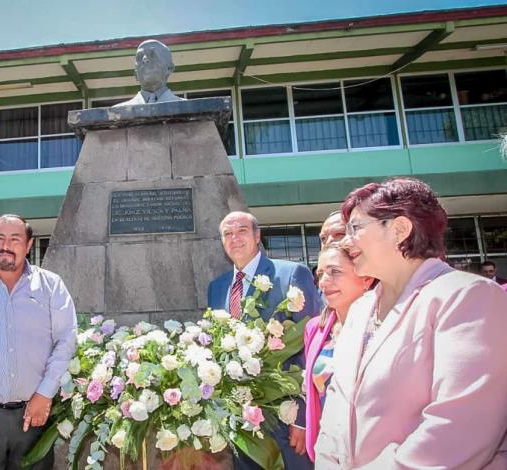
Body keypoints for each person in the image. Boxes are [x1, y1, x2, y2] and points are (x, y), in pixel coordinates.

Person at [315, 177, 507, 469]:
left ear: (399, 230)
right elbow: (335, 414)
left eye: (356, 228)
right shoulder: (360, 310)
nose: (344, 241)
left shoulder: (467, 298)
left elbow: (458, 428)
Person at [0, 214, 77, 470]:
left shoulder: (51, 286)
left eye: (15, 239)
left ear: (29, 245)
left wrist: (45, 393)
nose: (5, 245)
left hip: (33, 415)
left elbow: (66, 340)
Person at [207, 211, 322, 470]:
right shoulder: (217, 287)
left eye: (242, 231)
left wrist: (302, 417)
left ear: (257, 235)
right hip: (241, 420)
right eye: (228, 234)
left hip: (286, 417)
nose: (234, 238)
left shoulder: (291, 275)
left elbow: (310, 347)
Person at [303, 244, 373, 462]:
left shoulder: (385, 327)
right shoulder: (316, 330)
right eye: (320, 274)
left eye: (335, 271)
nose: (324, 281)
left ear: (366, 277)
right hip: (330, 451)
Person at [114, 39, 185, 106]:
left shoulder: (187, 107)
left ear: (169, 68)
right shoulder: (117, 112)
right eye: (139, 57)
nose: (145, 59)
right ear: (135, 73)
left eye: (153, 55)